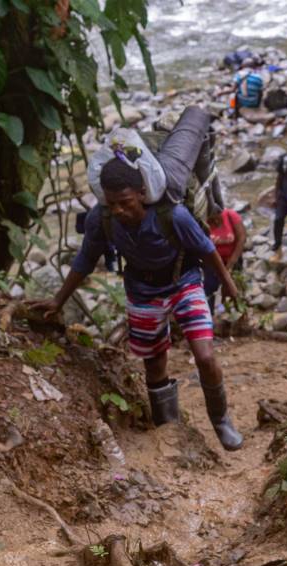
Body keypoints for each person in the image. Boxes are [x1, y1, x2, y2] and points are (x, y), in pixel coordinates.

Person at [30, 157, 245, 451]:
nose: (119, 210)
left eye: (126, 202)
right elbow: (85, 260)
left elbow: (207, 250)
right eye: (112, 203)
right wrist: (58, 300)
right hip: (142, 290)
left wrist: (229, 285)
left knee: (206, 356)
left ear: (142, 193)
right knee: (155, 363)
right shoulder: (102, 219)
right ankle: (168, 429)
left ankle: (221, 421)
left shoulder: (174, 216)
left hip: (184, 282)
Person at [203, 204, 246, 301]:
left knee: (236, 286)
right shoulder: (203, 223)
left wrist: (230, 265)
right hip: (212, 262)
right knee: (209, 288)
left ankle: (239, 310)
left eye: (217, 219)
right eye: (212, 221)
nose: (215, 222)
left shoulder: (231, 215)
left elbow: (242, 238)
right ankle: (211, 312)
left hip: (233, 259)